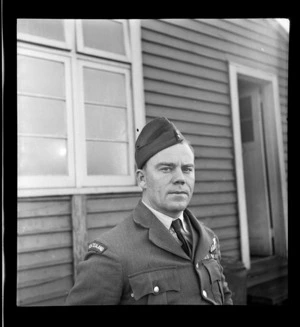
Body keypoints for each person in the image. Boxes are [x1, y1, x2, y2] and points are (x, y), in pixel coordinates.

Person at [66, 117, 233, 305]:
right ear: (142, 179)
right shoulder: (111, 255)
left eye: (187, 169)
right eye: (166, 169)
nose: (180, 179)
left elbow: (224, 297)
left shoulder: (207, 239)